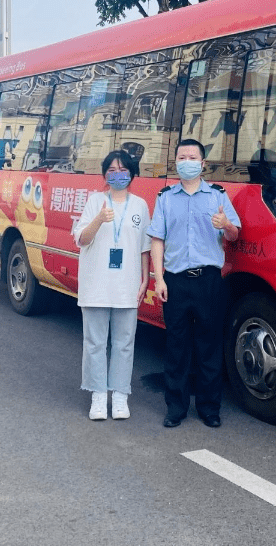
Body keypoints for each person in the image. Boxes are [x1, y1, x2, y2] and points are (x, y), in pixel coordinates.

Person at [149, 139, 240, 428]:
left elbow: (235, 235)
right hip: (175, 281)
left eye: (192, 157)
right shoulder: (165, 197)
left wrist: (226, 224)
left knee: (209, 347)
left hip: (209, 281)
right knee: (176, 347)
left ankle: (209, 408)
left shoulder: (217, 195)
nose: (186, 161)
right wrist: (159, 279)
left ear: (203, 164)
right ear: (176, 162)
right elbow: (157, 241)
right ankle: (175, 408)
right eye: (181, 157)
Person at [72, 150, 151, 421]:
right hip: (96, 284)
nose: (118, 174)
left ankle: (119, 395)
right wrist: (98, 220)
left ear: (132, 173)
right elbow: (81, 239)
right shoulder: (95, 201)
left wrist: (145, 279)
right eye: (112, 170)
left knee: (124, 343)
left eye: (123, 169)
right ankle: (97, 395)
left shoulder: (140, 205)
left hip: (126, 285)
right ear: (105, 174)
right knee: (94, 342)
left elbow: (144, 248)